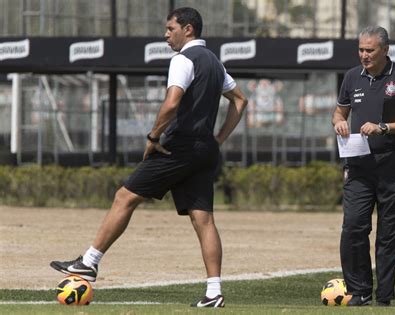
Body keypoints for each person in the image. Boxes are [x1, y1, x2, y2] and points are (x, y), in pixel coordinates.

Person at [50, 7, 247, 308]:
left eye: (171, 29)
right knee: (203, 220)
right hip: (204, 149)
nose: (166, 35)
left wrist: (153, 137)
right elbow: (240, 100)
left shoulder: (183, 59)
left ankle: (89, 262)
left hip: (178, 147)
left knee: (124, 196)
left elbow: (171, 104)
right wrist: (218, 140)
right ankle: (214, 292)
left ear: (188, 30)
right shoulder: (215, 63)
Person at [332, 26, 395, 307]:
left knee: (388, 231)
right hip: (358, 164)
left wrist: (383, 128)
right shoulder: (350, 77)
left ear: (385, 50)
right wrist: (339, 122)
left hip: (393, 162)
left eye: (369, 50)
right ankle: (359, 292)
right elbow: (339, 111)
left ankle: (384, 297)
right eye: (361, 49)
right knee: (354, 227)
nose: (364, 55)